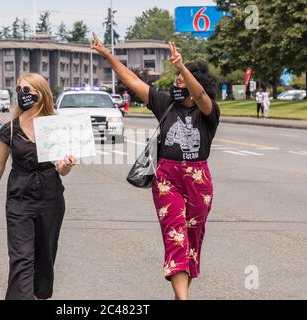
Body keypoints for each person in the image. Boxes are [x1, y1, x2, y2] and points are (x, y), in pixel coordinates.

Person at [92, 33, 220, 300]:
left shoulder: (208, 112)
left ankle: (179, 295)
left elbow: (200, 95)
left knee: (192, 244)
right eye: (175, 79)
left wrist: (182, 67)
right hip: (166, 178)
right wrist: (106, 54)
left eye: (180, 81)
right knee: (175, 236)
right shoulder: (165, 103)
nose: (176, 83)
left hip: (198, 179)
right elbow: (132, 79)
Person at [0, 73, 77, 300]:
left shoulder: (55, 127)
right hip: (19, 200)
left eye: (27, 90)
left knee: (44, 260)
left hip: (50, 199)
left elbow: (61, 168)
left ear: (40, 93)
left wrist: (67, 165)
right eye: (19, 90)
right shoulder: (10, 129)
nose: (22, 94)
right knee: (21, 259)